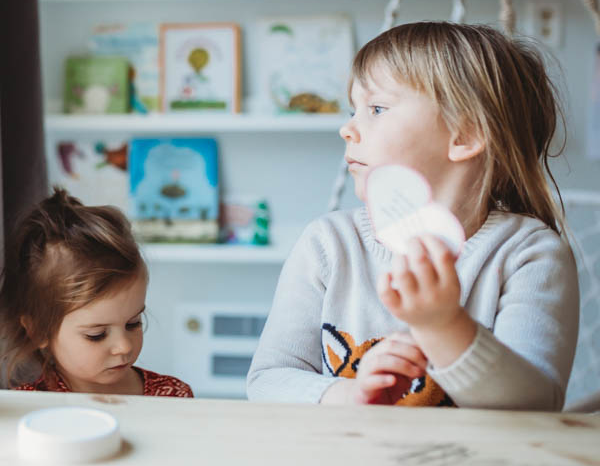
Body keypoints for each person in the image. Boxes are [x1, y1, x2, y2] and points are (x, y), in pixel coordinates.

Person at [247, 22, 579, 410]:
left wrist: (444, 326)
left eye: (376, 108)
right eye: (353, 109)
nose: (347, 129)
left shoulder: (529, 255)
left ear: (465, 135)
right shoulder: (329, 243)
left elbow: (535, 405)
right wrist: (350, 394)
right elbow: (267, 380)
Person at [0, 189, 193, 397]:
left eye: (133, 323)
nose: (124, 346)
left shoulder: (173, 396)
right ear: (38, 331)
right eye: (97, 335)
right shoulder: (27, 409)